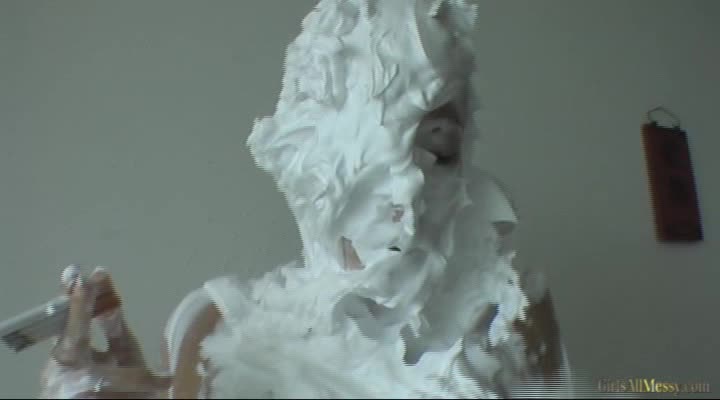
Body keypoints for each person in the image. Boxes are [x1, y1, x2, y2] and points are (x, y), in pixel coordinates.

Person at [40, 0, 572, 398]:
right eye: (365, 165)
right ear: (302, 165)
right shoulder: (221, 330)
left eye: (438, 149)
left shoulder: (507, 317)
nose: (405, 194)